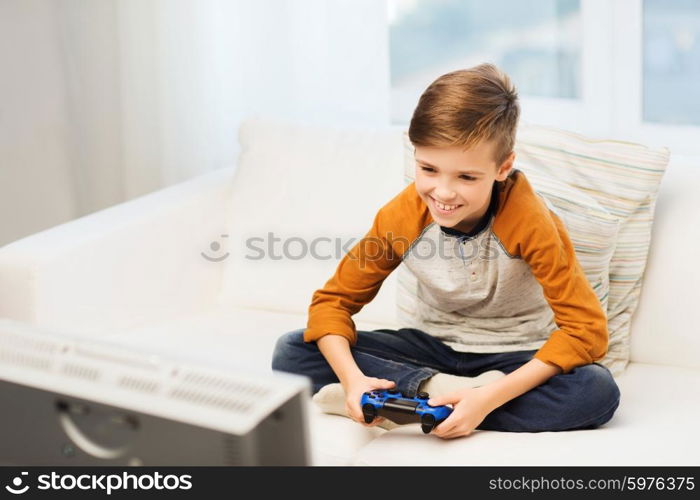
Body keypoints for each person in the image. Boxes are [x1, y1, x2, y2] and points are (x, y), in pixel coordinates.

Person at [271, 63, 620, 439]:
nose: (443, 192)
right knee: (291, 351)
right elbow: (332, 304)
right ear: (415, 152)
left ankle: (413, 404)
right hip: (431, 347)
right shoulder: (401, 216)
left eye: (466, 177)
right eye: (429, 169)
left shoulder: (530, 220)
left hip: (514, 354)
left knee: (596, 391)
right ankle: (428, 395)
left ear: (503, 167)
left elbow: (585, 331)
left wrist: (489, 396)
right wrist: (353, 379)